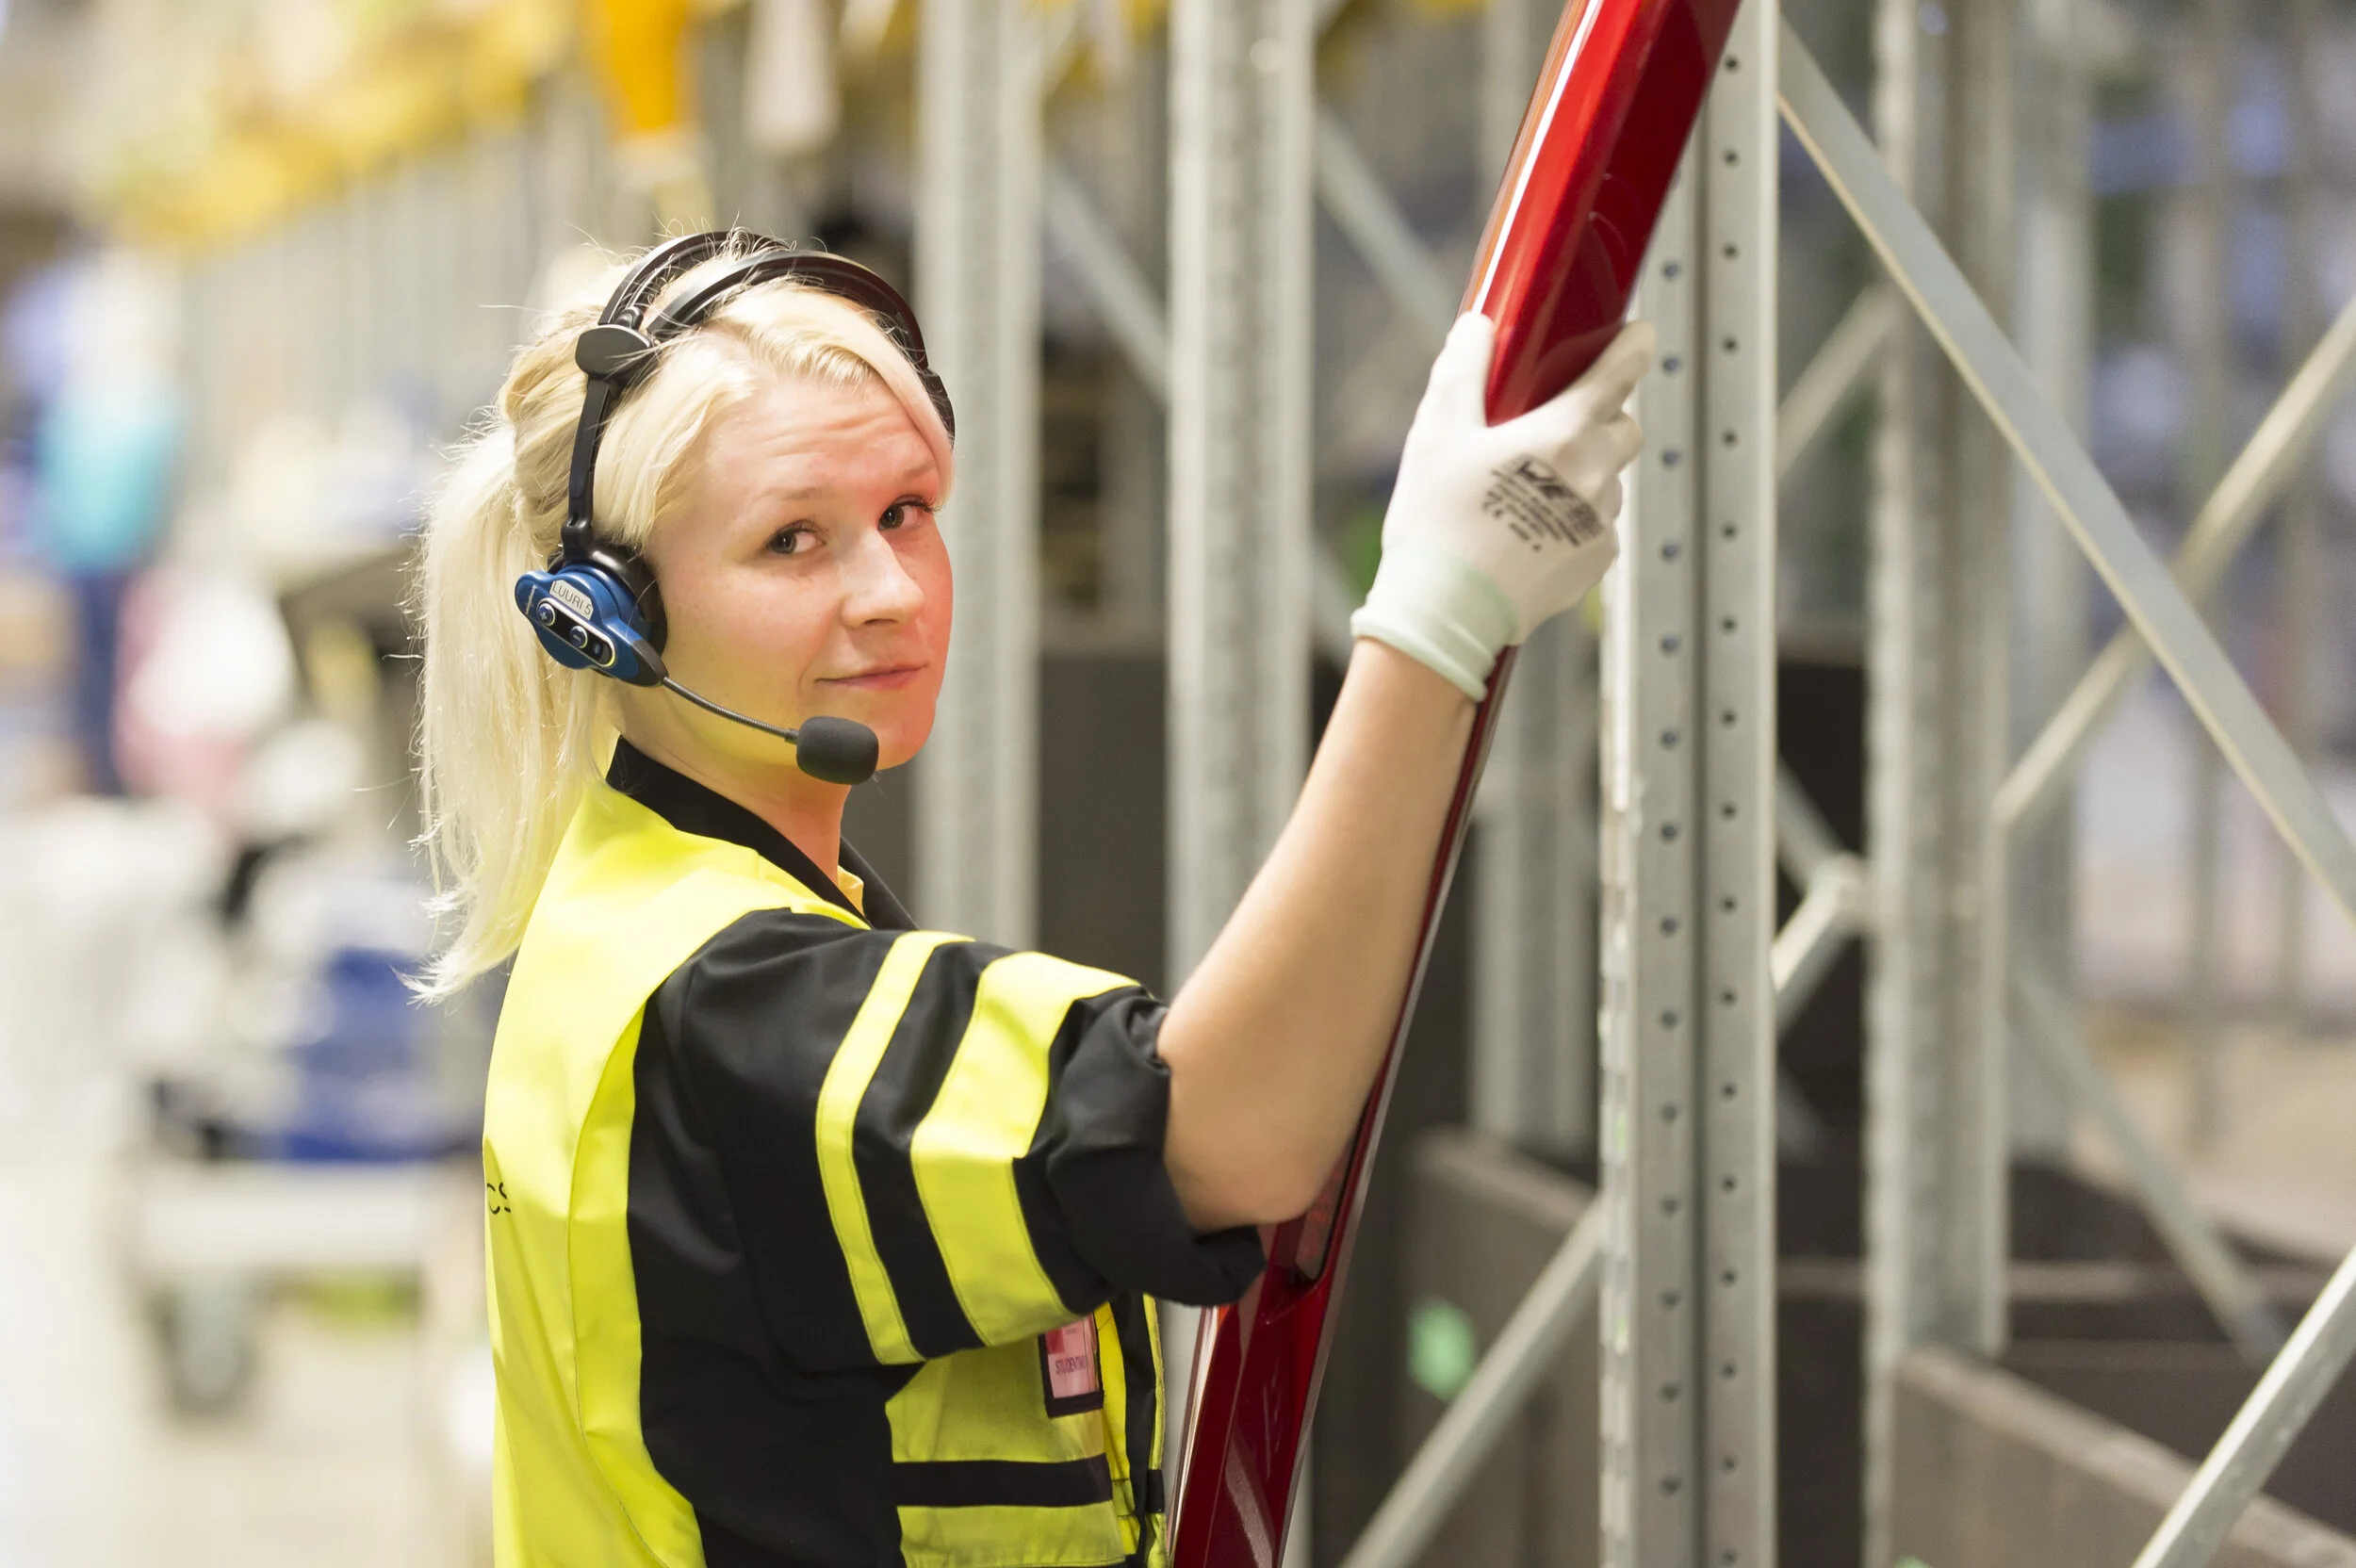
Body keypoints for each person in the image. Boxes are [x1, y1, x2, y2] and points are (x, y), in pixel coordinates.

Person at [415, 231, 1650, 1568]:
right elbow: (1224, 1136)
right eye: (792, 540)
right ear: (614, 618)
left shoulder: (634, 905)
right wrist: (1438, 617)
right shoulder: (731, 999)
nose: (890, 593)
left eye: (906, 512)